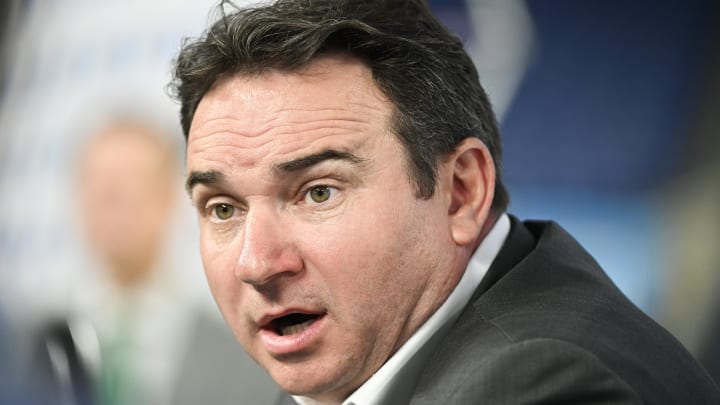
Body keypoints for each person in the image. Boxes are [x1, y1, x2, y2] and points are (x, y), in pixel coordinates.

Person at [170, 0, 720, 404]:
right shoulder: (350, 370)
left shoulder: (540, 383)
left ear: (461, 193)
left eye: (318, 192)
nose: (257, 264)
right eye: (223, 209)